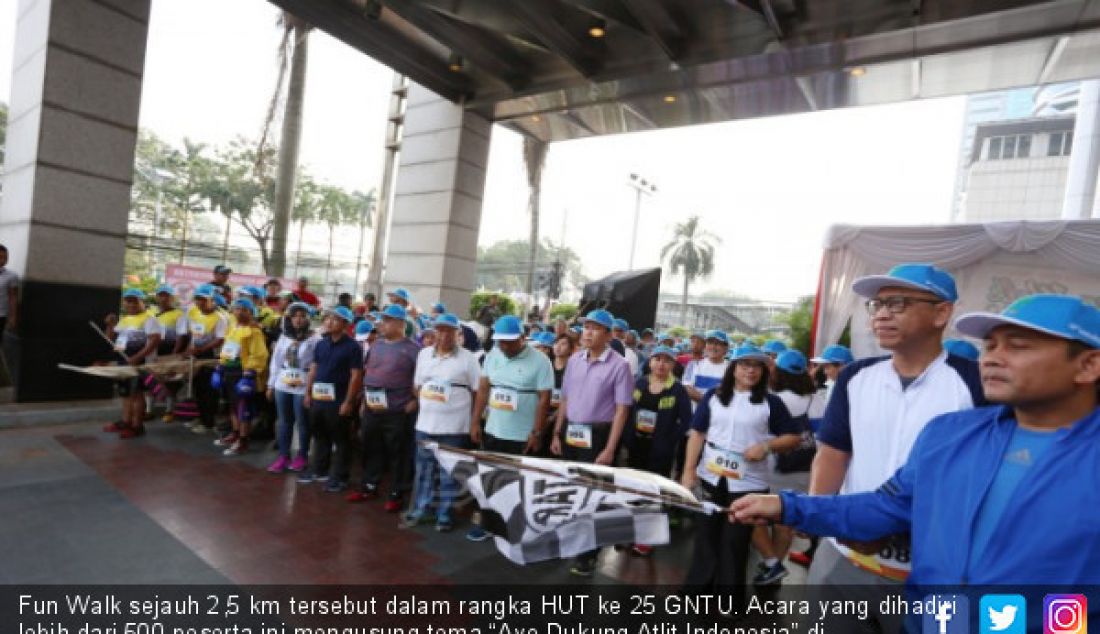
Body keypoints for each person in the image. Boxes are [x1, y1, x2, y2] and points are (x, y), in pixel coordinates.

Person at [731, 294, 1100, 613]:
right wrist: (789, 507)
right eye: (991, 346)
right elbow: (885, 506)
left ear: (1088, 365)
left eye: (1017, 346)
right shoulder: (951, 435)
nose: (993, 358)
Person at [806, 263, 983, 631]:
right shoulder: (856, 377)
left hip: (931, 575)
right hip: (844, 560)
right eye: (877, 304)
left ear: (942, 312)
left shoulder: (977, 384)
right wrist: (817, 515)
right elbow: (834, 453)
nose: (883, 313)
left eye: (898, 303)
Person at [679, 344, 800, 603]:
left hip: (748, 483)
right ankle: (696, 590)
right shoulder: (713, 396)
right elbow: (697, 433)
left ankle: (729, 599)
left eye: (756, 366)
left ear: (764, 372)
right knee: (706, 535)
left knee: (735, 541)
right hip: (710, 475)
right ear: (733, 368)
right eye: (745, 365)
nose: (750, 371)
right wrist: (688, 471)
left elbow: (793, 438)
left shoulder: (771, 402)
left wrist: (767, 446)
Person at [551, 309, 635, 577]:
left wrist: (610, 448)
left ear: (609, 335)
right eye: (585, 327)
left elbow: (622, 410)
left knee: (594, 496)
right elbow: (565, 400)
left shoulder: (620, 366)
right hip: (570, 432)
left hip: (597, 436)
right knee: (571, 490)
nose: (588, 332)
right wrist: (556, 433)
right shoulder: (575, 360)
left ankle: (588, 553)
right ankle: (571, 538)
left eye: (595, 328)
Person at [467, 314, 554, 540]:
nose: (504, 346)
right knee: (490, 479)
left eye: (509, 341)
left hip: (521, 435)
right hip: (493, 429)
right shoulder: (493, 355)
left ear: (522, 338)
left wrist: (536, 432)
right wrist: (475, 421)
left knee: (519, 483)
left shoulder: (541, 361)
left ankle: (516, 525)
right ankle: (488, 523)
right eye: (500, 341)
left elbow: (545, 399)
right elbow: (484, 389)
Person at [751, 349, 825, 585]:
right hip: (803, 469)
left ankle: (771, 561)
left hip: (768, 467)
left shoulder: (769, 396)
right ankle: (775, 566)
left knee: (753, 516)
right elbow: (824, 441)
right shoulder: (817, 399)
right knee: (785, 522)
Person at [403, 313, 481, 532]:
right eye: (439, 330)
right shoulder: (424, 355)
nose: (443, 335)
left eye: (449, 330)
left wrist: (473, 421)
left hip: (454, 428)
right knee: (424, 470)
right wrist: (429, 398)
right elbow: (417, 385)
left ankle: (444, 514)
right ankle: (422, 508)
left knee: (450, 473)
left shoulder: (469, 359)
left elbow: (478, 391)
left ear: (458, 334)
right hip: (425, 425)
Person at [621, 344, 693, 556]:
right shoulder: (640, 383)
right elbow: (627, 410)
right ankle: (630, 534)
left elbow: (686, 421)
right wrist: (627, 437)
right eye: (657, 359)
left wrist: (669, 439)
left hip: (660, 451)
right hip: (636, 446)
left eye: (666, 360)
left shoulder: (678, 389)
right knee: (634, 491)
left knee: (653, 494)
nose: (661, 364)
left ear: (673, 365)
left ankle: (647, 540)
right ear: (650, 362)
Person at [351, 304, 420, 509]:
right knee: (371, 448)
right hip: (373, 406)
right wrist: (363, 400)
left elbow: (420, 379)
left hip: (398, 410)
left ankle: (397, 493)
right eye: (382, 320)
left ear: (401, 324)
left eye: (388, 320)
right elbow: (368, 373)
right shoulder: (376, 345)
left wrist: (415, 401)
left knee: (398, 453)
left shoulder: (413, 349)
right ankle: (369, 486)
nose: (382, 324)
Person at [300, 306, 362, 489]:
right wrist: (308, 392)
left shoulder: (353, 347)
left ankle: (340, 477)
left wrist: (348, 402)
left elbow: (356, 376)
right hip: (319, 399)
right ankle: (320, 470)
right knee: (320, 436)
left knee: (341, 439)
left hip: (338, 401)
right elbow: (314, 368)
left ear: (345, 324)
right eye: (328, 318)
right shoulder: (321, 343)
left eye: (335, 319)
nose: (329, 322)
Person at [266, 302, 318, 474]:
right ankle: (283, 456)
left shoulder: (314, 339)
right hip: (283, 382)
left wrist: (311, 389)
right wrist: (271, 385)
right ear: (289, 318)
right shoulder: (284, 337)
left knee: (303, 422)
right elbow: (276, 361)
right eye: (295, 316)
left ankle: (302, 456)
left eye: (302, 316)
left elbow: (316, 365)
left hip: (303, 383)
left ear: (308, 319)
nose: (298, 319)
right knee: (284, 422)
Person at [212, 298, 269, 456]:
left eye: (244, 310)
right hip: (229, 372)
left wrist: (250, 373)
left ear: (251, 312)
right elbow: (227, 349)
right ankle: (235, 434)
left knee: (243, 408)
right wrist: (220, 366)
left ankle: (243, 440)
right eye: (237, 309)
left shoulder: (254, 331)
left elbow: (259, 355)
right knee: (232, 406)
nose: (240, 312)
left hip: (242, 373)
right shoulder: (232, 328)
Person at [103, 289, 162, 438]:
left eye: (135, 300)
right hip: (123, 361)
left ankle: (137, 425)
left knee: (136, 394)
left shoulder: (149, 319)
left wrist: (137, 356)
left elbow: (154, 340)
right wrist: (110, 325)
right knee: (125, 393)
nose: (131, 304)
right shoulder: (125, 319)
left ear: (142, 302)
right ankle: (125, 421)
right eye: (128, 301)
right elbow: (111, 338)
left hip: (139, 363)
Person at [180, 284, 228, 434]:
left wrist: (201, 349)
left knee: (209, 391)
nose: (200, 302)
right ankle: (200, 417)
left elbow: (220, 340)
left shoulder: (220, 317)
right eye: (197, 299)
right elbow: (194, 335)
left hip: (212, 357)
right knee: (198, 388)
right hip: (197, 355)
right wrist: (189, 349)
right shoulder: (196, 314)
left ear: (212, 300)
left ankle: (209, 423)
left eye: (203, 300)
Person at [151, 284, 187, 422]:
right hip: (153, 351)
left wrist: (175, 353)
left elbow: (181, 336)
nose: (163, 298)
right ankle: (149, 409)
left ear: (172, 298)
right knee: (151, 379)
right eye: (161, 295)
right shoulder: (152, 313)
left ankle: (170, 410)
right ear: (157, 297)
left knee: (170, 381)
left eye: (167, 295)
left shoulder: (179, 314)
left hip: (171, 351)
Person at [684, 330, 731, 403]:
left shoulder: (731, 369)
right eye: (710, 343)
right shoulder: (693, 364)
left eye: (717, 344)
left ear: (726, 348)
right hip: (696, 413)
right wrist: (708, 403)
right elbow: (687, 387)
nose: (713, 347)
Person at [0, 245, 19, 334]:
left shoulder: (12, 276)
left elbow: (13, 297)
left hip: (1, 315)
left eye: (5, 257)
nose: (3, 260)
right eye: (0, 257)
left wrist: (13, 316)